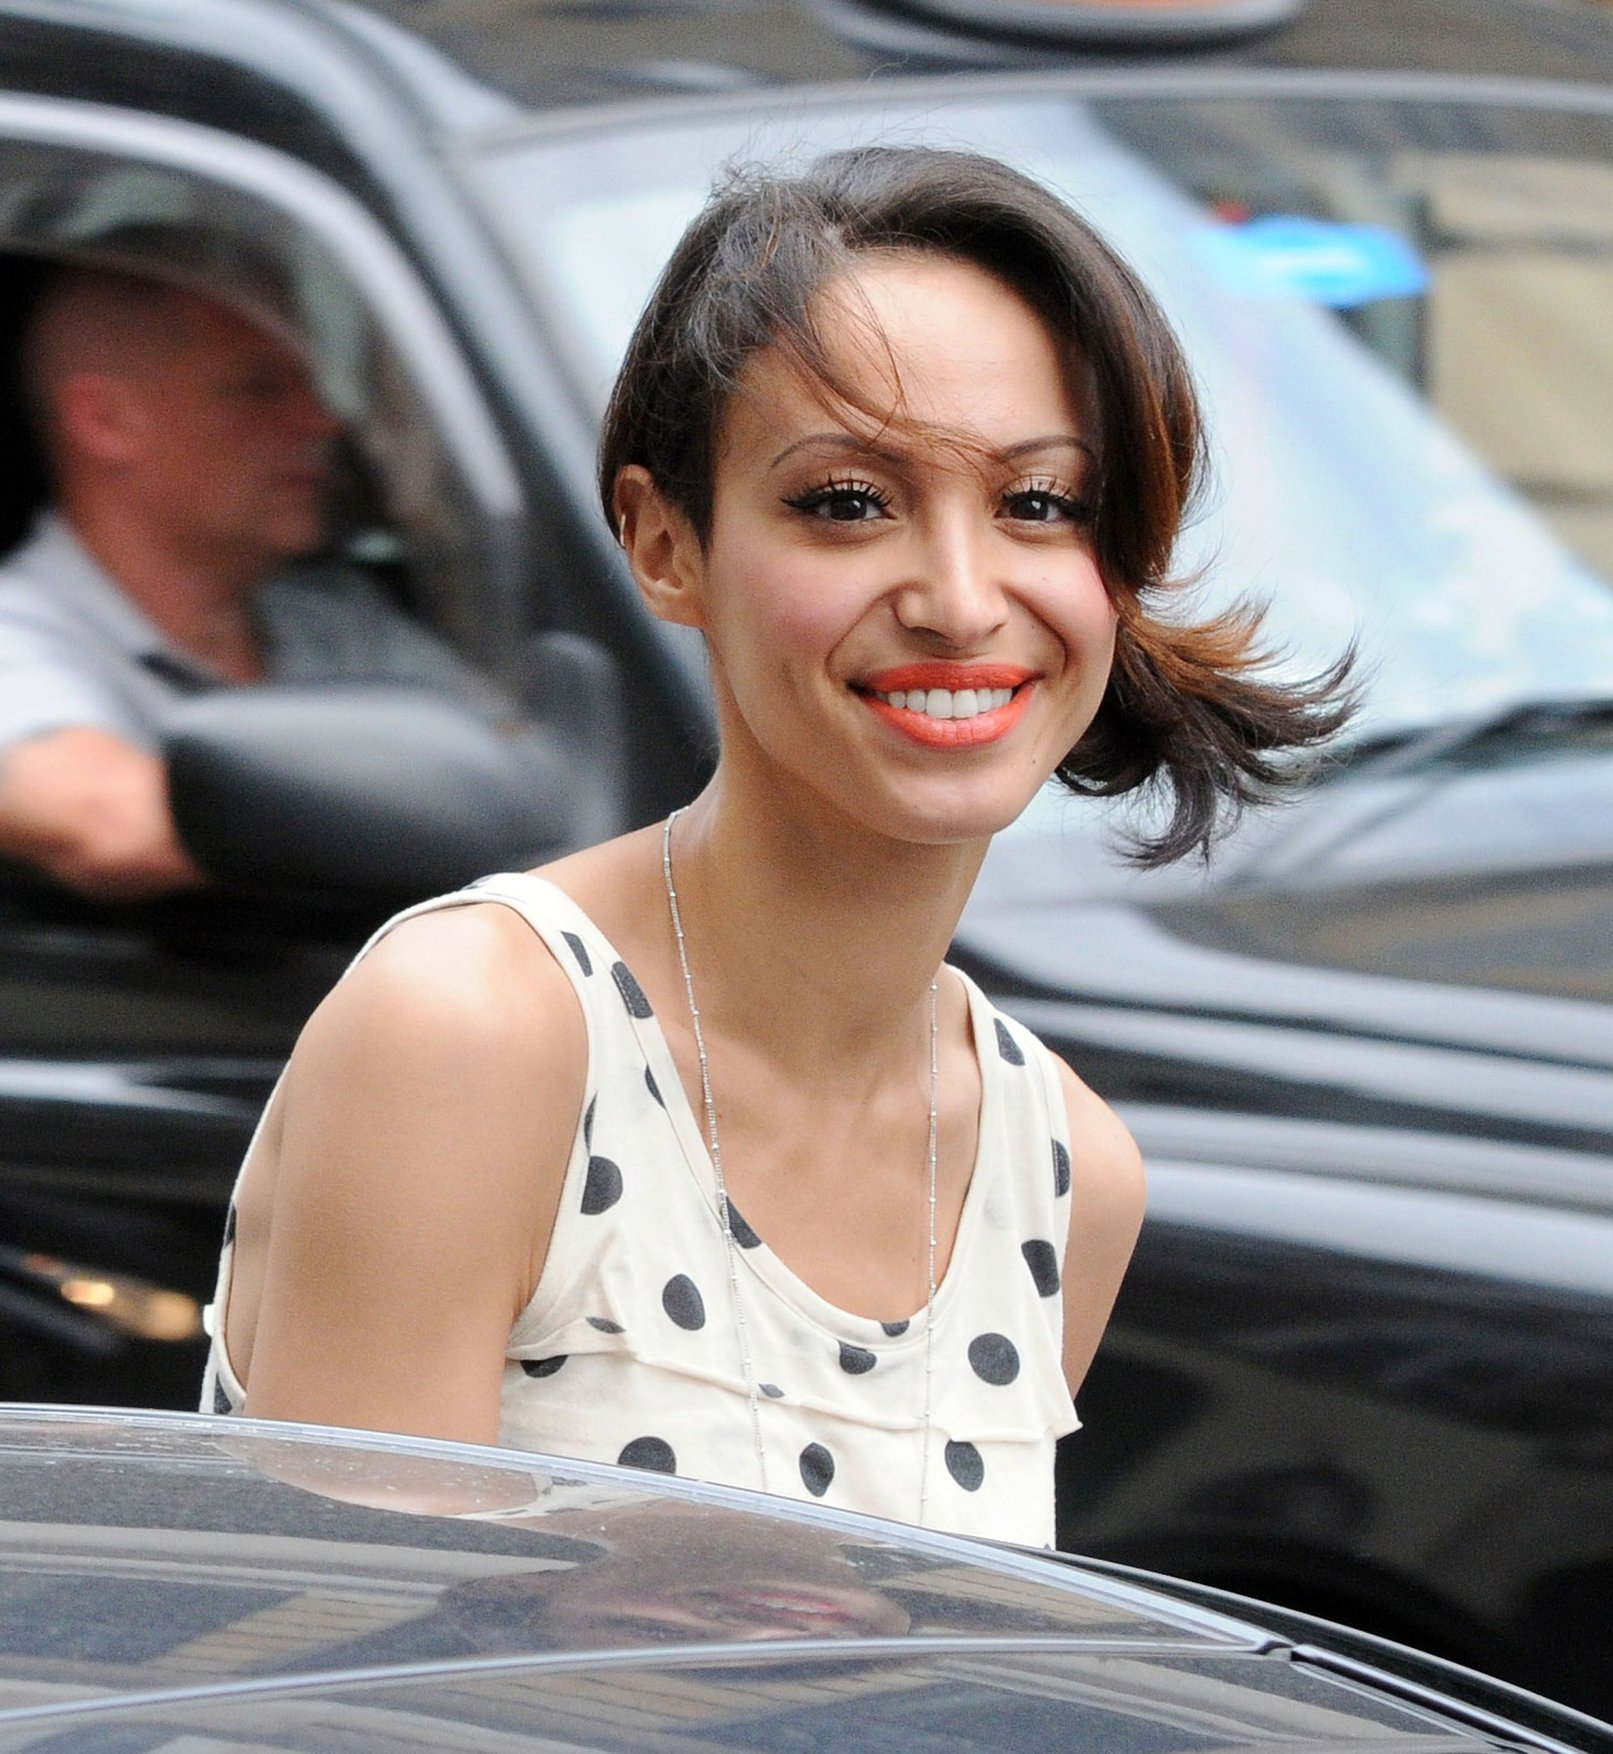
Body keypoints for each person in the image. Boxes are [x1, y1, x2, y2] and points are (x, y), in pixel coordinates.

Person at [202, 147, 1351, 1545]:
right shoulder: (475, 1036)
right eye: (847, 501)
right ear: (663, 540)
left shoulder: (1062, 1167)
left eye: (1038, 502)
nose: (957, 596)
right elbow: (348, 1691)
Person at [0, 263, 508, 901]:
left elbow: (511, 758)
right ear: (105, 421)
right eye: (257, 387)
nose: (321, 421)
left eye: (309, 382)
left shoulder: (331, 618)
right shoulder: (15, 640)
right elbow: (110, 822)